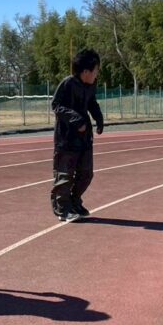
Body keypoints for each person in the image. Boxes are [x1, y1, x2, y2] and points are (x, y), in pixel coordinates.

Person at [51, 49, 104, 222]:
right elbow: (56, 105)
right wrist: (76, 120)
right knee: (64, 176)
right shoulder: (68, 84)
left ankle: (74, 202)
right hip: (66, 139)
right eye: (96, 70)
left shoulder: (91, 85)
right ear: (86, 71)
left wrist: (99, 118)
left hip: (84, 138)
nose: (97, 74)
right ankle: (62, 209)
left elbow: (92, 103)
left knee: (86, 173)